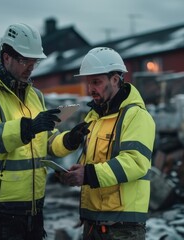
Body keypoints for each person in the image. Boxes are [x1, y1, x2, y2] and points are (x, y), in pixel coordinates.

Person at [0, 23, 89, 240]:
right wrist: (27, 127)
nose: (30, 67)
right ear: (6, 57)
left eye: (34, 61)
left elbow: (46, 142)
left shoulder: (35, 96)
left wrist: (69, 140)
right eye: (24, 60)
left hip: (33, 208)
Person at [57, 47, 156, 240]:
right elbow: (97, 161)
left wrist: (88, 174)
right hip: (93, 222)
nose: (90, 88)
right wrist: (79, 171)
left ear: (115, 80)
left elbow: (135, 163)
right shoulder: (95, 117)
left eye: (96, 82)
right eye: (89, 82)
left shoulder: (136, 115)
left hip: (122, 228)